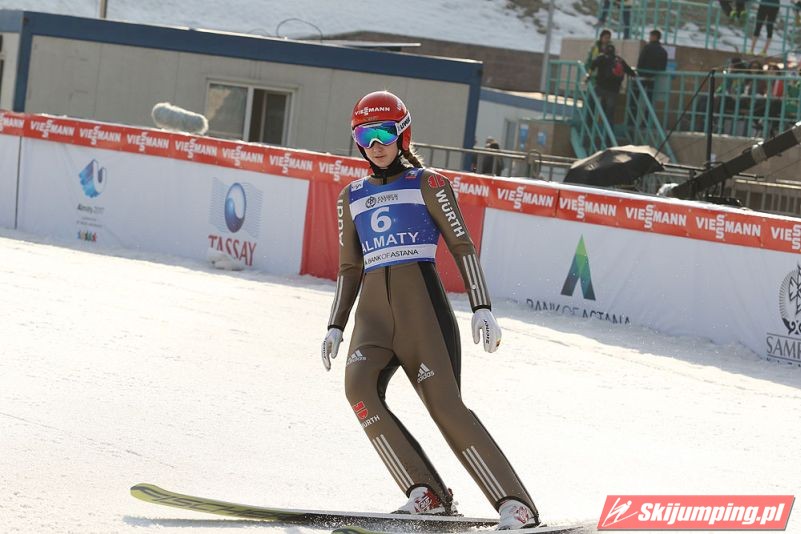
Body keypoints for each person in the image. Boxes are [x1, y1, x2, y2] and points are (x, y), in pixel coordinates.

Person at [321, 90, 540, 531]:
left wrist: (482, 306)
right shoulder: (351, 196)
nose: (375, 145)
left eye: (384, 134)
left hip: (422, 315)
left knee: (445, 407)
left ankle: (516, 504)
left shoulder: (428, 183)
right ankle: (426, 493)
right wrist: (335, 325)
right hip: (373, 320)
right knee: (358, 390)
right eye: (365, 136)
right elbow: (349, 267)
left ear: (403, 134)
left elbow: (462, 245)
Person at [587, 44, 637, 123]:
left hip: (601, 87)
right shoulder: (619, 60)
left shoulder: (601, 58)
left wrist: (588, 76)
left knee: (591, 100)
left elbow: (593, 65)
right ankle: (609, 129)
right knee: (610, 112)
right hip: (614, 90)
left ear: (605, 51)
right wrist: (635, 75)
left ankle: (589, 122)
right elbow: (630, 71)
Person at [636, 29, 668, 101]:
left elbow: (641, 61)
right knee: (650, 97)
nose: (649, 38)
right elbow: (663, 66)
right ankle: (648, 108)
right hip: (654, 76)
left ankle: (633, 108)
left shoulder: (647, 48)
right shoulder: (663, 51)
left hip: (643, 75)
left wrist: (639, 71)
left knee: (635, 94)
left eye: (650, 36)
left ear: (654, 37)